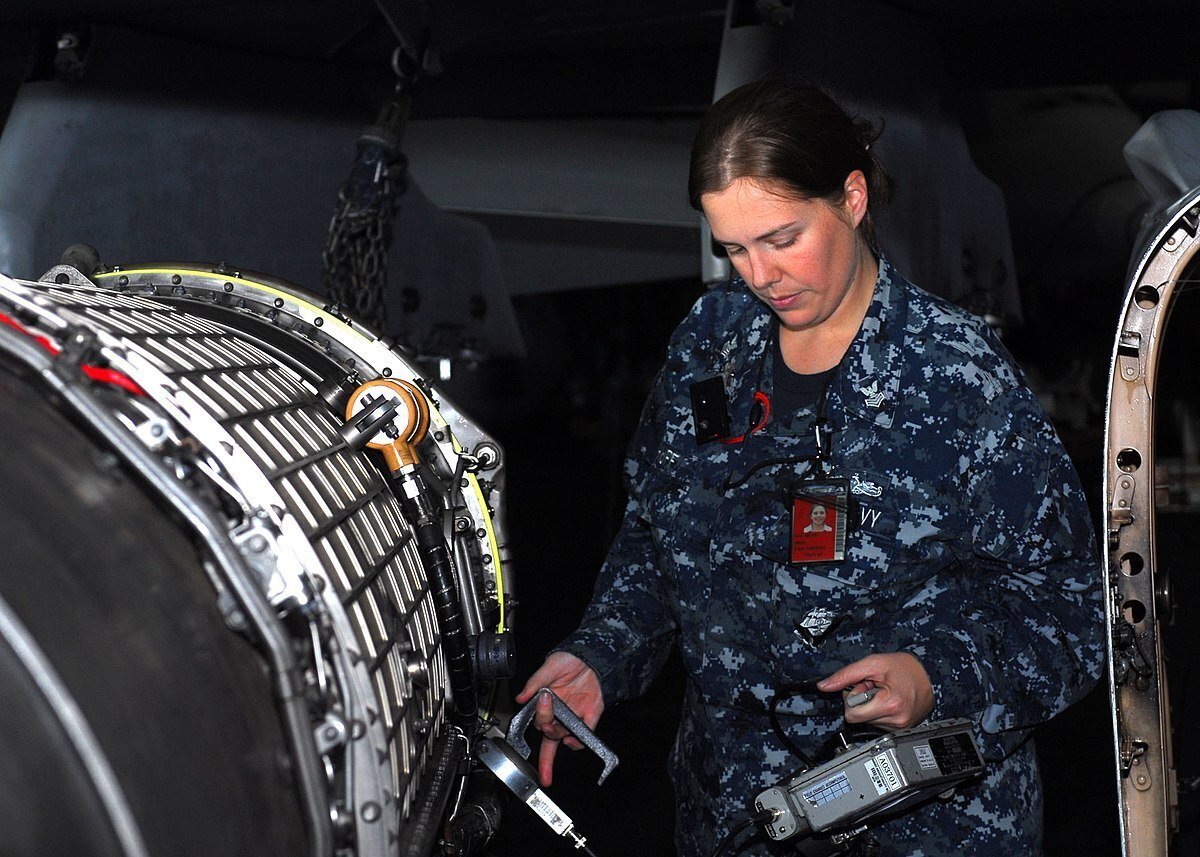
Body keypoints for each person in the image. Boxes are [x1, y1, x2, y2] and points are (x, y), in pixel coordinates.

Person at [517, 77, 1104, 855]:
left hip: (923, 827)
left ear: (852, 198)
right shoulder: (711, 343)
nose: (760, 275)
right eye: (733, 248)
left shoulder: (956, 373)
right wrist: (598, 655)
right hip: (733, 816)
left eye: (782, 237)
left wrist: (934, 677)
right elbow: (659, 531)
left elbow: (1070, 608)